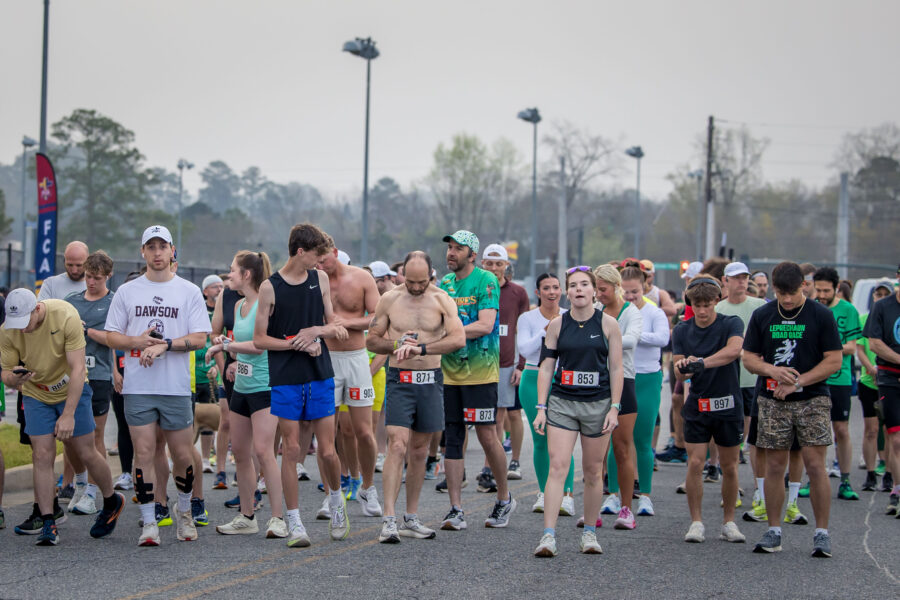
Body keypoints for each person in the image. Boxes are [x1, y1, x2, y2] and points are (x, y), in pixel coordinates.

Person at [105, 225, 212, 546]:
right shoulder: (127, 292)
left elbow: (199, 338)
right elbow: (112, 335)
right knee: (145, 452)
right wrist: (137, 341)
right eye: (150, 247)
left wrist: (165, 344)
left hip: (175, 387)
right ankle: (149, 522)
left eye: (161, 246)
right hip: (139, 386)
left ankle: (184, 511)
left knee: (181, 453)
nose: (156, 253)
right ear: (143, 252)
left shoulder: (189, 291)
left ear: (172, 250)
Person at [2, 288, 124, 545]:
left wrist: (68, 414)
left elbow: (79, 368)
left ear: (37, 309)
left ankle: (112, 499)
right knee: (41, 454)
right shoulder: (8, 330)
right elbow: (6, 373)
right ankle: (48, 520)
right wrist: (15, 377)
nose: (22, 329)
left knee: (85, 451)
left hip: (72, 387)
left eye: (26, 322)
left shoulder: (65, 314)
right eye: (17, 324)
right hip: (37, 393)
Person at [253, 223, 349, 547]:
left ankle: (336, 501)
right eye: (316, 256)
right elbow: (259, 339)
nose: (320, 263)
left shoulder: (319, 279)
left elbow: (334, 325)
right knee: (291, 449)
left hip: (320, 374)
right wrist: (296, 342)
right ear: (300, 251)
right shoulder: (270, 287)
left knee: (328, 451)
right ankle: (294, 522)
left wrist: (315, 332)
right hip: (286, 378)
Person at [742, 261, 842, 557]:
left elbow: (833, 361)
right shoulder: (762, 314)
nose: (787, 300)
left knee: (815, 465)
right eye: (781, 293)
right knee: (774, 465)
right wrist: (772, 370)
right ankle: (774, 530)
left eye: (792, 293)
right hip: (773, 399)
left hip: (813, 398)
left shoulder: (820, 315)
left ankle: (821, 534)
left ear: (804, 286)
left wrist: (799, 381)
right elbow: (748, 358)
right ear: (774, 289)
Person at [366, 251, 465, 542]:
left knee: (420, 450)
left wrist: (423, 348)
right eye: (411, 281)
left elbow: (457, 339)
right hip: (400, 378)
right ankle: (388, 519)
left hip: (430, 379)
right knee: (397, 444)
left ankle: (411, 516)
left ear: (431, 276)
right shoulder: (390, 299)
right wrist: (396, 343)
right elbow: (371, 339)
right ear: (402, 276)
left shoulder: (441, 299)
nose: (416, 287)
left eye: (422, 282)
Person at [532, 266, 623, 557]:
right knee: (558, 466)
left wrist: (614, 408)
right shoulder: (557, 325)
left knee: (593, 471)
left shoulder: (608, 324)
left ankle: (590, 534)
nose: (579, 289)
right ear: (567, 292)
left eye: (585, 284)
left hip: (598, 404)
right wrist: (541, 407)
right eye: (574, 285)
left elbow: (617, 368)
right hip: (562, 403)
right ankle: (548, 536)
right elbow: (546, 366)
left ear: (595, 290)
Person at [207, 251, 287, 537]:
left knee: (264, 452)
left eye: (232, 271)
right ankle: (247, 514)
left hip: (265, 387)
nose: (228, 275)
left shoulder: (263, 304)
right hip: (241, 386)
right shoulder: (238, 303)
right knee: (239, 452)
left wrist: (226, 348)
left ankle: (278, 518)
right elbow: (241, 345)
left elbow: (259, 345)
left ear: (247, 275)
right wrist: (234, 361)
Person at [438, 230, 515, 530]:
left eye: (458, 248)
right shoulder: (444, 283)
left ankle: (504, 499)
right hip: (449, 373)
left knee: (486, 436)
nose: (451, 253)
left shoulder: (487, 281)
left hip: (481, 372)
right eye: (449, 248)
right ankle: (456, 509)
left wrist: (449, 334)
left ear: (472, 255)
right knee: (453, 437)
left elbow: (485, 324)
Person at [672, 274, 746, 544]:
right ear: (690, 303)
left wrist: (701, 362)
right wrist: (684, 367)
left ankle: (729, 522)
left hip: (728, 403)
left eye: (707, 305)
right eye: (697, 305)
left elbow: (734, 351)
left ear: (718, 300)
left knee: (730, 465)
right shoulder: (682, 330)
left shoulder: (731, 323)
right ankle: (696, 522)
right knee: (694, 463)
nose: (702, 311)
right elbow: (679, 373)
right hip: (698, 405)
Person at [317, 239, 382, 517]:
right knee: (326, 434)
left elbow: (378, 318)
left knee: (364, 432)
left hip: (356, 358)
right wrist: (326, 328)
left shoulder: (361, 278)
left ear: (334, 253)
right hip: (326, 360)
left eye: (323, 260)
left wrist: (346, 324)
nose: (320, 266)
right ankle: (332, 494)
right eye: (315, 262)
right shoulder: (312, 281)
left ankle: (367, 487)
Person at [714, 262, 776, 517]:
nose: (741, 281)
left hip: (755, 380)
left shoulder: (760, 307)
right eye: (735, 278)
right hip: (726, 382)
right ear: (724, 281)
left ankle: (759, 490)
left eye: (744, 277)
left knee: (756, 440)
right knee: (729, 442)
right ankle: (733, 489)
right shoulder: (717, 308)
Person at [63, 251, 119, 516]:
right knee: (69, 437)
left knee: (95, 435)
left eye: (96, 278)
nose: (91, 282)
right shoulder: (71, 302)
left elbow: (115, 339)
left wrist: (86, 331)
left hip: (98, 375)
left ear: (108, 276)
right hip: (69, 375)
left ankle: (93, 494)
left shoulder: (113, 302)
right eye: (87, 276)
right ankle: (80, 483)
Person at [517, 274, 576, 514]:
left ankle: (567, 494)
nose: (552, 292)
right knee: (541, 439)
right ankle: (543, 492)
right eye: (546, 288)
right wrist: (546, 330)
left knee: (563, 441)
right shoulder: (527, 318)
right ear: (537, 292)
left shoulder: (570, 316)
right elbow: (525, 349)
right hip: (532, 377)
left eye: (556, 288)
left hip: (562, 379)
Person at [39, 241, 90, 506]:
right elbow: (39, 313)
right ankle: (67, 482)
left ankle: (73, 481)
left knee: (77, 432)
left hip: (83, 360)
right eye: (69, 264)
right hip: (52, 360)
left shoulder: (92, 282)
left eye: (79, 265)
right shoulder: (51, 284)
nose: (74, 269)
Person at [595, 264, 642, 530]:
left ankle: (627, 509)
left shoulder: (631, 311)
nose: (599, 295)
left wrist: (599, 337)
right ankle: (595, 508)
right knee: (596, 449)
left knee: (622, 447)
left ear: (616, 287)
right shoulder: (596, 309)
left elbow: (631, 341)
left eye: (603, 290)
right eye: (596, 289)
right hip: (598, 381)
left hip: (624, 380)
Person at [620, 266, 669, 516]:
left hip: (648, 377)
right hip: (621, 377)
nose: (630, 297)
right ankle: (613, 495)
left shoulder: (654, 312)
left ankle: (645, 495)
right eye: (625, 292)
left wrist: (635, 335)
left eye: (635, 292)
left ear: (644, 288)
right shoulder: (616, 311)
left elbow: (662, 338)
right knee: (617, 440)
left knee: (642, 439)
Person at [481, 244, 529, 485]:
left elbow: (524, 331)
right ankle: (491, 465)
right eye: (489, 263)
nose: (494, 268)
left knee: (504, 415)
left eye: (498, 263)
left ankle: (509, 462)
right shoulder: (477, 288)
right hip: (480, 362)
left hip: (506, 363)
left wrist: (521, 365)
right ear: (482, 264)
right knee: (486, 417)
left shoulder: (518, 293)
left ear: (506, 266)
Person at [812, 266, 862, 500]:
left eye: (826, 290)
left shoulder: (848, 309)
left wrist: (827, 347)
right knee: (813, 431)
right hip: (814, 377)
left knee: (840, 429)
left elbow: (852, 347)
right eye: (818, 290)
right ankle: (814, 479)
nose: (821, 295)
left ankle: (845, 480)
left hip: (839, 377)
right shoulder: (810, 308)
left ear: (837, 287)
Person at [862, 268, 900, 517]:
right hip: (889, 378)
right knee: (895, 439)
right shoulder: (883, 306)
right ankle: (897, 488)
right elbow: (874, 343)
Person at [857, 279, 894, 492]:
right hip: (869, 381)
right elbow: (861, 348)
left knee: (890, 430)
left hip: (888, 380)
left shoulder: (892, 316)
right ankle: (870, 474)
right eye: (877, 295)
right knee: (871, 429)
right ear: (873, 297)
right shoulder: (864, 318)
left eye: (884, 295)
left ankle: (889, 473)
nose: (880, 298)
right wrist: (870, 366)